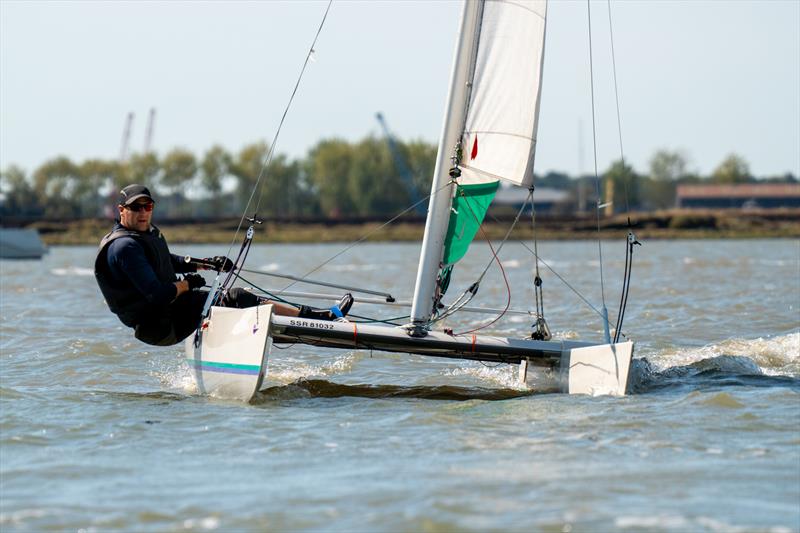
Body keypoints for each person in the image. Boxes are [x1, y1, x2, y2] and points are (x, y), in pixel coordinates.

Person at [94, 184, 353, 346]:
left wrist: (206, 264)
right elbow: (157, 294)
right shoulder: (124, 247)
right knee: (238, 298)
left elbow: (166, 261)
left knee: (236, 303)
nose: (143, 212)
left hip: (171, 312)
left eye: (147, 206)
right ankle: (320, 320)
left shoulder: (142, 236)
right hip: (160, 325)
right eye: (135, 208)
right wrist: (186, 284)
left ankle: (305, 327)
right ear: (121, 210)